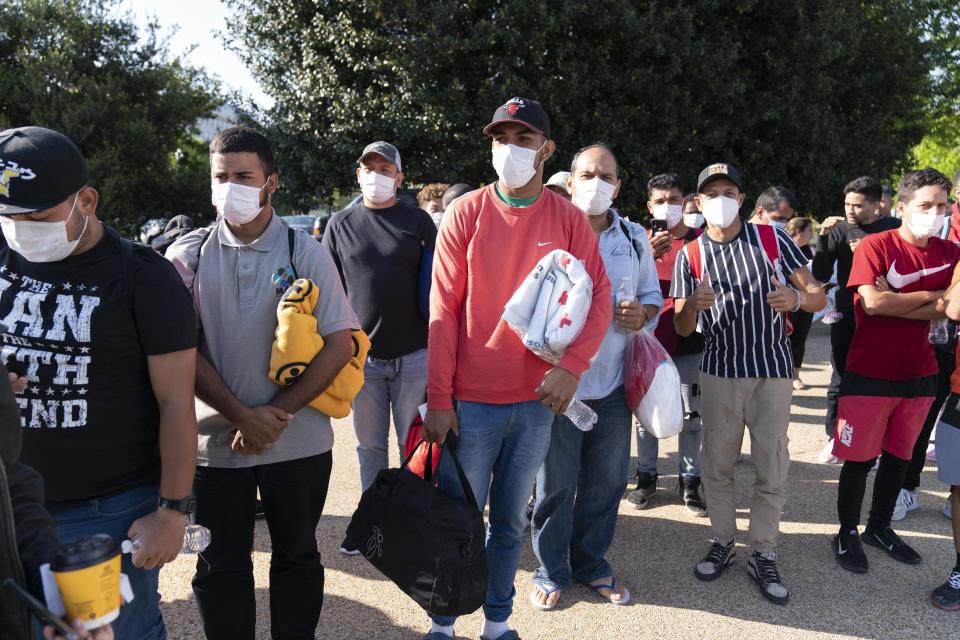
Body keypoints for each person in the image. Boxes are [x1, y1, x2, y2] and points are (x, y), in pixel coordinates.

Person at [422, 96, 611, 640]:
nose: (510, 149)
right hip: (470, 402)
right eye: (501, 138)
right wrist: (439, 398)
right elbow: (443, 309)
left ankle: (498, 623)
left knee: (508, 524)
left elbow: (598, 295)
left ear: (547, 150)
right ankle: (442, 622)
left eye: (523, 139)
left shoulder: (569, 218)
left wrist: (573, 367)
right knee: (458, 521)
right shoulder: (465, 213)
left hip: (535, 401)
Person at [0, 126, 198, 639]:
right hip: (11, 501)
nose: (20, 230)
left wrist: (172, 512)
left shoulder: (144, 278)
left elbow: (177, 401)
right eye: (8, 219)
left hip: (106, 513)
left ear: (85, 200)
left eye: (36, 218)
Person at [166, 127, 359, 639]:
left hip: (298, 443)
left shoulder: (305, 250)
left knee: (297, 558)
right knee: (219, 564)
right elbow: (179, 351)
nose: (230, 187)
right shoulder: (188, 257)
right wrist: (241, 416)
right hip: (215, 448)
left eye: (243, 177)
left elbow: (342, 341)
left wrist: (275, 415)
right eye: (220, 177)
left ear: (270, 182)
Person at [672, 162, 825, 605]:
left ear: (741, 198)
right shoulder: (692, 253)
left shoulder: (770, 238)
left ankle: (763, 551)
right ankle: (722, 541)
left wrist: (796, 298)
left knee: (771, 465)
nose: (721, 199)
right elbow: (683, 329)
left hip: (772, 370)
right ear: (698, 203)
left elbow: (816, 292)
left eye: (729, 191)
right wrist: (692, 307)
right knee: (716, 465)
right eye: (711, 193)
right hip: (719, 369)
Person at [529, 145, 661, 611]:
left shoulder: (634, 237)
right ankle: (550, 569)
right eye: (587, 174)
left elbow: (653, 298)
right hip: (561, 383)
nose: (596, 182)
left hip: (612, 383)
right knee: (555, 483)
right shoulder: (547, 231)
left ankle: (589, 563)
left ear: (620, 186)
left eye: (607, 175)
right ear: (570, 181)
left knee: (606, 482)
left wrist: (642, 312)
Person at [830, 169, 960, 575]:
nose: (934, 213)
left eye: (942, 206)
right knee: (858, 460)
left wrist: (898, 298)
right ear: (901, 207)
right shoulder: (875, 245)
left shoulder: (952, 254)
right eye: (925, 205)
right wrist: (934, 299)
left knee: (900, 457)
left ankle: (880, 527)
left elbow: (952, 309)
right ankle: (847, 531)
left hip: (923, 373)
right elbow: (871, 304)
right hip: (869, 371)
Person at [323, 141, 437, 553]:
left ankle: (407, 521)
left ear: (400, 178)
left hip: (413, 354)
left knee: (413, 444)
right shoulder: (339, 224)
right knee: (370, 446)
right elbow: (328, 291)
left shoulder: (419, 221)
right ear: (358, 174)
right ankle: (373, 519)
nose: (376, 174)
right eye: (369, 167)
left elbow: (436, 286)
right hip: (362, 360)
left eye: (385, 168)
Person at [627, 173, 706, 515]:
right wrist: (644, 252)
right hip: (648, 343)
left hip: (691, 341)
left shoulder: (701, 242)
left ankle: (690, 480)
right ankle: (646, 477)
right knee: (646, 415)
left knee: (692, 415)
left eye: (674, 200)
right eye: (660, 201)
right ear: (649, 206)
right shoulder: (634, 240)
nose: (667, 207)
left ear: (685, 201)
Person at [812, 176, 901, 463]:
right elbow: (822, 274)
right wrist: (823, 239)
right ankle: (833, 438)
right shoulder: (839, 230)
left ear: (877, 205)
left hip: (884, 315)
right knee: (840, 378)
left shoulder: (894, 229)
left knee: (879, 380)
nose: (850, 210)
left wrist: (870, 248)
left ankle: (874, 443)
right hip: (847, 314)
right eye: (847, 203)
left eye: (858, 205)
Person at [785, 217, 815, 390]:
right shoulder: (785, 247)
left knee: (800, 336)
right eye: (809, 230)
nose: (812, 235)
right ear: (798, 231)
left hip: (806, 299)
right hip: (788, 299)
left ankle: (796, 375)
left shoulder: (807, 251)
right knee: (786, 336)